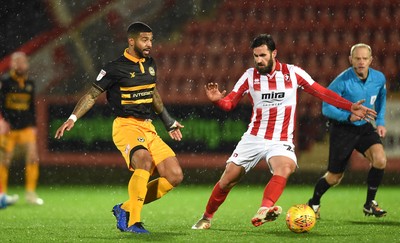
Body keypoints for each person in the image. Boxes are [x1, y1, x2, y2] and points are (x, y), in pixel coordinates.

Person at [191, 34, 376, 230]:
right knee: (228, 179)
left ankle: (264, 209)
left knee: (285, 167)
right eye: (255, 56)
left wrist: (349, 107)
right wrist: (217, 100)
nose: (259, 60)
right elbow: (229, 103)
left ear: (274, 53)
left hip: (280, 139)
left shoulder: (292, 73)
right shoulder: (249, 76)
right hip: (254, 136)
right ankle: (206, 217)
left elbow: (321, 91)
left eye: (263, 55)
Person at [55, 22, 184, 234]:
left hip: (148, 127)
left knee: (174, 176)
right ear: (131, 41)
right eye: (144, 39)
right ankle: (134, 222)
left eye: (151, 39)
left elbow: (152, 93)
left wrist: (168, 121)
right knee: (144, 161)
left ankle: (124, 208)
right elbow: (91, 95)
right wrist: (72, 118)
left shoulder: (151, 63)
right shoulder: (114, 68)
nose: (149, 44)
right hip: (126, 126)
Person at [307, 43, 387, 218]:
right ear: (351, 60)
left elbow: (381, 96)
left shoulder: (379, 78)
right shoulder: (341, 81)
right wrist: (348, 117)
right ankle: (313, 202)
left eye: (365, 58)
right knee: (334, 177)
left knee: (380, 160)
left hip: (364, 126)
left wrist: (380, 121)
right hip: (343, 129)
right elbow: (326, 108)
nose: (361, 62)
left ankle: (369, 203)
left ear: (371, 60)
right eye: (357, 58)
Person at [0, 51, 43, 205]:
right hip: (8, 127)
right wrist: (2, 120)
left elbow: (31, 106)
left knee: (33, 157)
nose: (21, 65)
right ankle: (2, 194)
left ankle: (30, 193)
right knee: (4, 160)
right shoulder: (5, 81)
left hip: (25, 127)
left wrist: (34, 126)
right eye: (17, 62)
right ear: (12, 64)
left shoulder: (30, 83)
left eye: (23, 62)